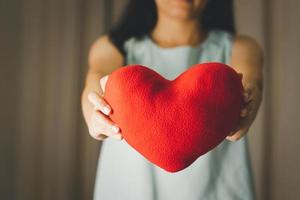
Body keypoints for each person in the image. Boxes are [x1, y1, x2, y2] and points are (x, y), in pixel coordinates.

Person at [81, 0, 263, 199]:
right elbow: (96, 79)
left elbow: (251, 80)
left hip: (219, 188)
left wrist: (249, 101)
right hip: (130, 188)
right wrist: (94, 116)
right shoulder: (115, 47)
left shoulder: (240, 47)